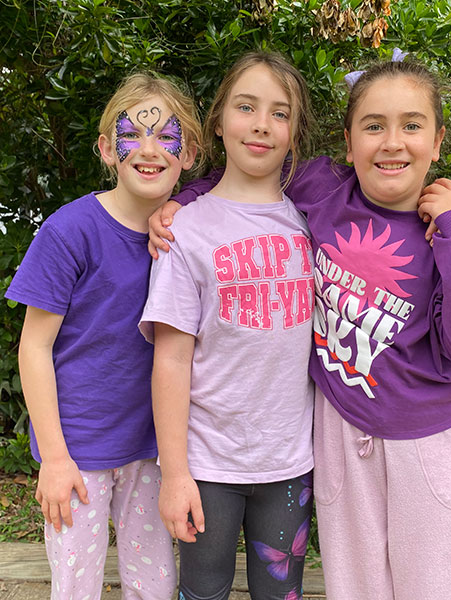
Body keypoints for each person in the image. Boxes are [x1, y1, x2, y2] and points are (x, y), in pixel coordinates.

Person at [154, 51, 451, 600]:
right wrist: (184, 199)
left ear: (437, 142)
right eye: (374, 126)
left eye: (412, 126)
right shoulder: (323, 190)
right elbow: (252, 169)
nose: (392, 142)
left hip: (429, 444)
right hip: (342, 435)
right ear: (348, 143)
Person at [5, 72, 200, 600]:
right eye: (132, 134)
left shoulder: (190, 234)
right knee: (75, 587)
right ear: (106, 148)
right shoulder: (69, 230)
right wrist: (56, 457)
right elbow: (34, 347)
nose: (150, 149)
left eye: (166, 136)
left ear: (190, 152)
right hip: (78, 452)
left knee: (155, 585)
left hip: (152, 450)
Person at [138, 52, 315, 600]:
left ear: (293, 133)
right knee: (203, 591)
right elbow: (170, 357)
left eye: (279, 113)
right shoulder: (184, 230)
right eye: (246, 107)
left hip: (289, 463)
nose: (262, 124)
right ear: (218, 122)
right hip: (207, 465)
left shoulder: (312, 223)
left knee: (282, 594)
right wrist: (174, 474)